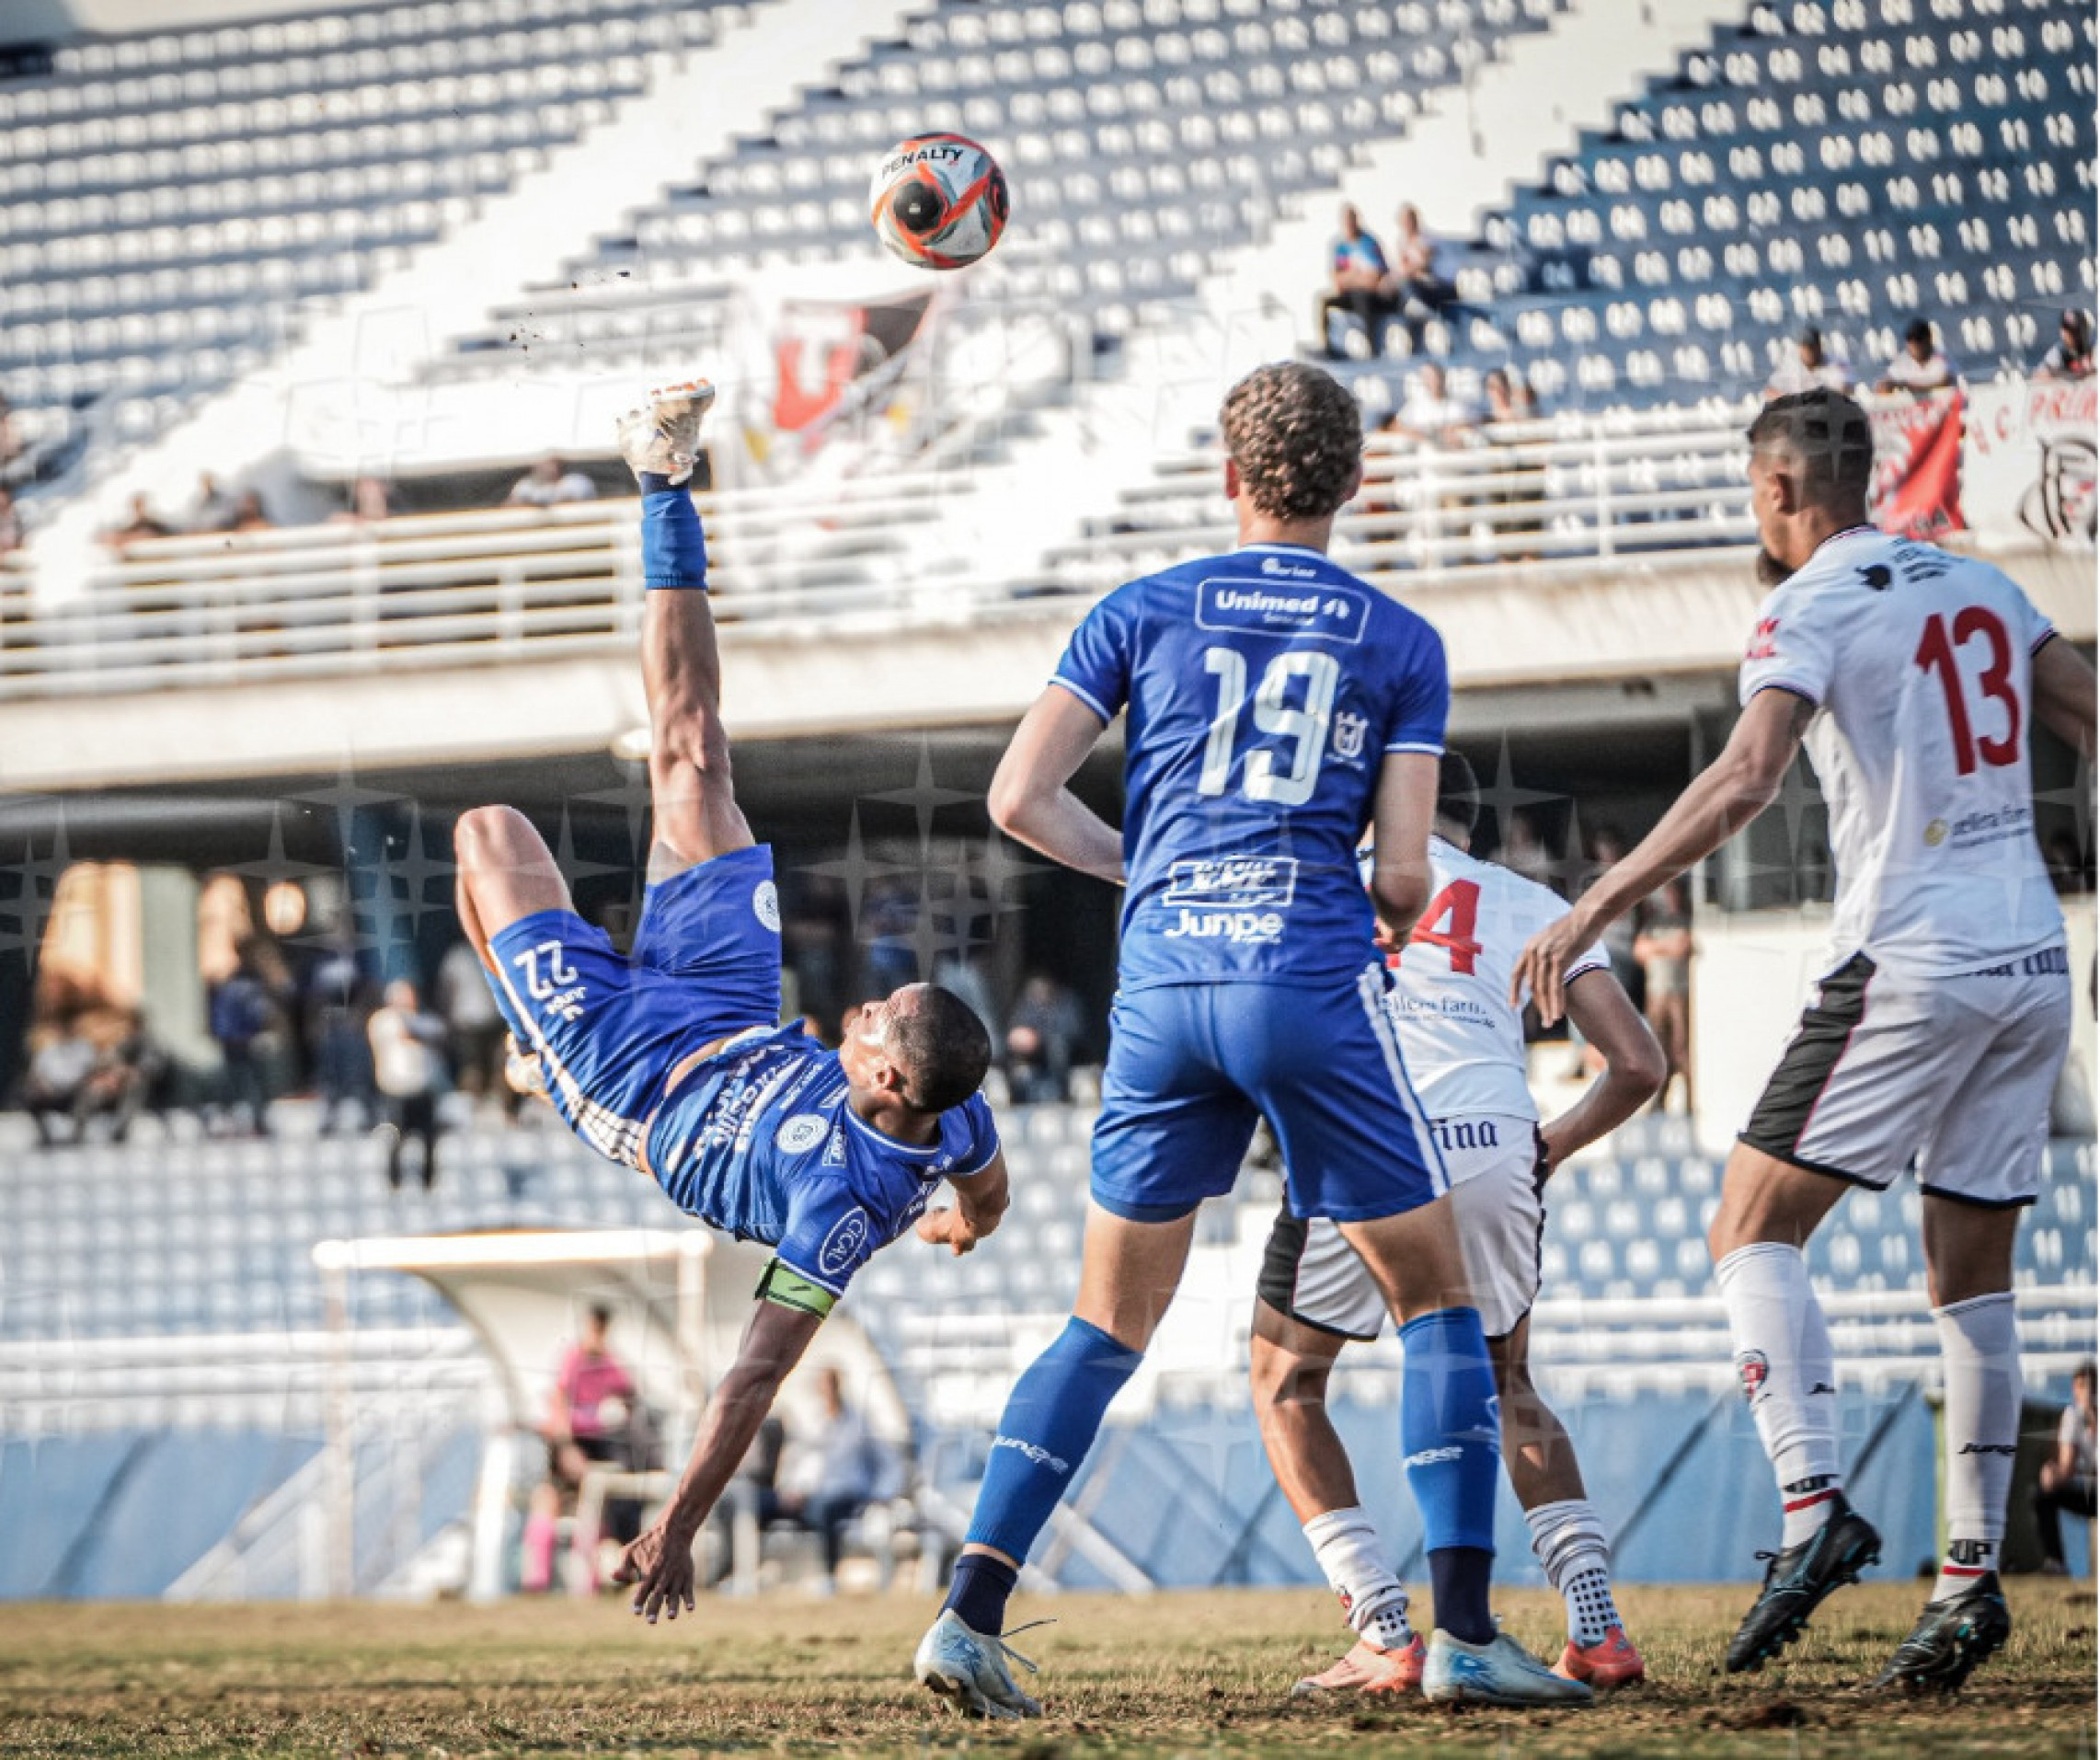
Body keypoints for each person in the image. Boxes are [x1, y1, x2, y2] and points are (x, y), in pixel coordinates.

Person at [912, 361, 1589, 1719]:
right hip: (1305, 978)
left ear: (1226, 476)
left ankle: (966, 1616)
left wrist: (1149, 874)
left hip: (1163, 986)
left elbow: (1015, 795)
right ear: (1352, 483)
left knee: (1105, 1321)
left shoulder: (1138, 609)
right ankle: (1459, 1637)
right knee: (1438, 1303)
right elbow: (1402, 881)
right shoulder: (1397, 640)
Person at [1511, 386, 2095, 1692]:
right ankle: (1964, 1580)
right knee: (1972, 1282)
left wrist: (1596, 900)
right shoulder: (1989, 588)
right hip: (2026, 962)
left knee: (1745, 1225)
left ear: (1773, 493)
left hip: (1909, 956)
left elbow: (1743, 776)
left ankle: (1807, 1505)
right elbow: (2088, 718)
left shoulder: (1807, 599)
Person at [452, 381, 1009, 1626]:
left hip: (626, 1076)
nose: (859, 1007)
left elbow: (752, 1380)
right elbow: (986, 1177)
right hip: (725, 1009)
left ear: (877, 1077)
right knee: (693, 745)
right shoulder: (954, 1116)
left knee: (486, 834)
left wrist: (677, 1523)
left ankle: (528, 1035)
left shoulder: (833, 1215)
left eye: (871, 1017)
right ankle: (662, 481)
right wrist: (967, 1227)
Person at [1255, 750, 1665, 1697]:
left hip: (1365, 1137)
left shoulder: (1322, 884)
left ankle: (1384, 1626)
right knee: (1507, 1380)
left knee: (1286, 1380)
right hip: (1491, 1134)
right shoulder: (1526, 899)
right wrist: (1548, 1144)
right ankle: (1597, 1628)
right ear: (1472, 830)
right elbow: (1639, 1063)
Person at [524, 1304, 640, 1593]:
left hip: (598, 1449)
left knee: (596, 1510)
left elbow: (629, 1395)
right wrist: (565, 1447)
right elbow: (558, 1402)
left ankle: (590, 1583)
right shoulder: (572, 1361)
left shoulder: (611, 1363)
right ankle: (536, 1582)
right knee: (547, 1501)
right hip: (569, 1446)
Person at [782, 1366, 891, 1589]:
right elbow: (799, 1462)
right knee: (758, 1503)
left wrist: (882, 1494)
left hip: (849, 1494)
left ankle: (829, 1575)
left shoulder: (859, 1424)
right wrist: (793, 1488)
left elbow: (885, 1461)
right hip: (812, 1494)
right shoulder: (813, 1422)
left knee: (825, 1508)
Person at [368, 978, 446, 1191]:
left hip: (422, 1089)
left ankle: (428, 1183)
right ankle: (394, 1182)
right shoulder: (382, 1020)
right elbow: (405, 1032)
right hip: (396, 1089)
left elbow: (437, 1032)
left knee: (429, 1139)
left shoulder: (422, 1018)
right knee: (396, 1138)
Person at [1633, 877, 1695, 1114]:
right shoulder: (1654, 924)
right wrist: (1665, 947)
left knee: (1681, 1048)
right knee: (1659, 1046)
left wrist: (1657, 948)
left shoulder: (1684, 921)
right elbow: (1639, 950)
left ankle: (1689, 1100)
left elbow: (1682, 947)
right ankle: (1660, 1099)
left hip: (1679, 992)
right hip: (1656, 993)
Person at [2033, 1361, 2096, 1576]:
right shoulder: (2073, 1416)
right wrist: (2053, 1475)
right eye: (2082, 1386)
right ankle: (2056, 1562)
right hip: (2086, 1491)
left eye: (2092, 1387)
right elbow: (2067, 1466)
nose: (2087, 1393)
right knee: (2043, 1496)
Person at [1317, 203, 1395, 359]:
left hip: (1372, 296)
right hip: (1350, 293)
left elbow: (1375, 278)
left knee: (1363, 299)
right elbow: (1336, 278)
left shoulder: (1369, 243)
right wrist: (1356, 276)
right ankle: (1328, 348)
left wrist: (1351, 278)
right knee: (1324, 301)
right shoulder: (1340, 246)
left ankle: (1373, 347)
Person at [1381, 204, 1462, 349]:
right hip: (1421, 285)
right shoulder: (1402, 242)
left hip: (1441, 286)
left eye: (1410, 220)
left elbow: (1421, 264)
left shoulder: (1427, 239)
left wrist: (1398, 274)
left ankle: (1427, 316)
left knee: (1405, 284)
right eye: (1404, 221)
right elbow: (1404, 267)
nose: (1407, 225)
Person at [1391, 363, 1480, 449]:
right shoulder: (1416, 404)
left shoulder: (1458, 403)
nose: (1433, 381)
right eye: (1428, 378)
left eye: (1435, 377)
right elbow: (1395, 425)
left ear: (1443, 378)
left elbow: (1475, 420)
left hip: (1455, 451)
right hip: (1425, 452)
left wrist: (1455, 428)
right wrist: (1410, 432)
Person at [1876, 318, 1956, 396]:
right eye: (1910, 339)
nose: (1914, 344)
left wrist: (1911, 387)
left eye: (1918, 339)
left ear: (1928, 339)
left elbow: (1946, 382)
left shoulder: (1940, 358)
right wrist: (1887, 386)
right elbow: (1884, 385)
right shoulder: (1902, 360)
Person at [1766, 327, 1851, 399]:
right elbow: (1771, 390)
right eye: (1804, 348)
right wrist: (1787, 399)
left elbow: (1846, 388)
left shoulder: (1835, 363)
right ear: (1800, 348)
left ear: (1819, 347)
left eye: (1811, 348)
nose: (1808, 352)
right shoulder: (1790, 365)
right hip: (1797, 411)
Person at [508, 454, 599, 508]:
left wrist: (532, 504)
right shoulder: (526, 484)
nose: (544, 466)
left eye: (550, 462)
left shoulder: (577, 481)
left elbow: (568, 503)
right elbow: (508, 508)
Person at [2033, 310, 2094, 382]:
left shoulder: (2093, 351)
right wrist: (2060, 374)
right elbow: (2038, 377)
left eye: (2073, 331)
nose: (2066, 334)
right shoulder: (2058, 352)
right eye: (2065, 329)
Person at [105, 492, 173, 549]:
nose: (139, 510)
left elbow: (168, 535)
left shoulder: (155, 525)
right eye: (136, 507)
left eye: (140, 506)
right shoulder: (131, 526)